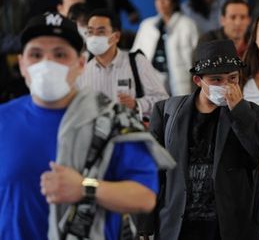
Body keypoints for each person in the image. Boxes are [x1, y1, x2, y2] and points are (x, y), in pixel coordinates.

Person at [0, 12, 171, 240]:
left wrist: (86, 187)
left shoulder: (113, 121)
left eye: (60, 54)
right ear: (22, 64)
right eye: (36, 54)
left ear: (80, 63)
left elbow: (145, 197)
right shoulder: (4, 119)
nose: (47, 63)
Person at [149, 39, 259, 240]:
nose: (226, 86)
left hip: (230, 228)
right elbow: (152, 172)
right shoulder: (167, 112)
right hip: (178, 228)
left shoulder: (254, 115)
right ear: (198, 80)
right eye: (216, 80)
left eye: (232, 78)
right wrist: (145, 225)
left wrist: (239, 112)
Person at [78, 9, 168, 120]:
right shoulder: (81, 69)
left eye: (101, 32)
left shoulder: (136, 62)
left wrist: (136, 104)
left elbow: (162, 100)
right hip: (94, 134)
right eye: (90, 32)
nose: (94, 37)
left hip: (130, 134)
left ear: (116, 36)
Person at [132, 0, 199, 96]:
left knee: (178, 108)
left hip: (180, 81)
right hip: (151, 80)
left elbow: (197, 56)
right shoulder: (147, 25)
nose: (161, 3)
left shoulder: (188, 25)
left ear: (174, 2)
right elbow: (135, 55)